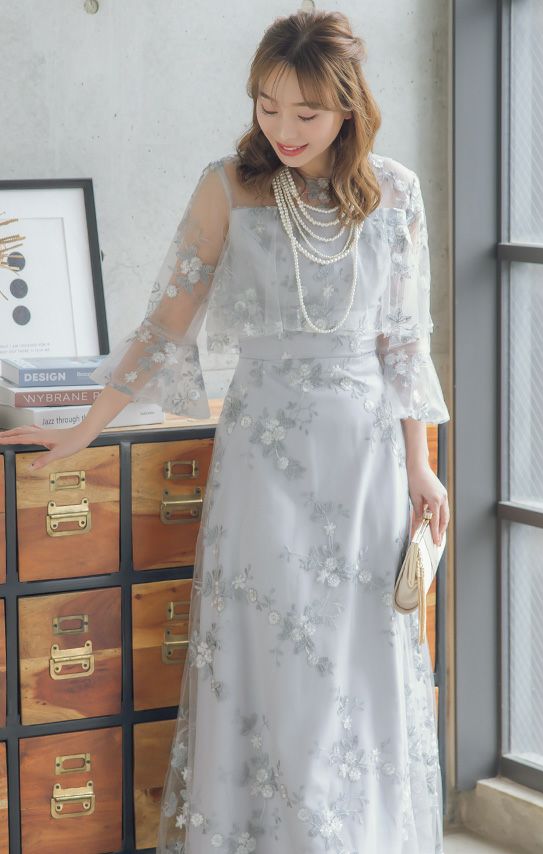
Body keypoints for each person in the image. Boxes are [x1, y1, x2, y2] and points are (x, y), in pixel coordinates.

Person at [0, 9, 451, 852]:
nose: (283, 129)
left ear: (348, 107)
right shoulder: (229, 186)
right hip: (264, 459)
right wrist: (81, 431)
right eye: (267, 106)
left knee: (357, 667)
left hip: (366, 466)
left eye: (306, 112)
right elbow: (163, 328)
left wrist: (421, 468)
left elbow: (403, 345)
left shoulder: (397, 193)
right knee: (271, 662)